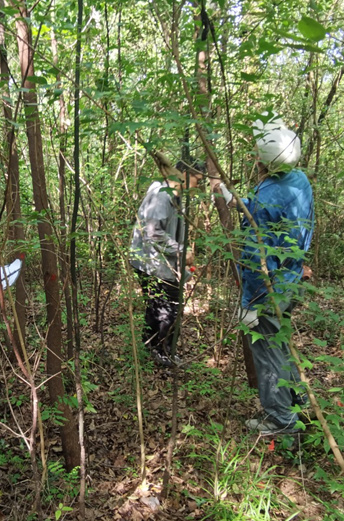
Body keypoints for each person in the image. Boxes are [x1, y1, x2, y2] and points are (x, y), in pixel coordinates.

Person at [217, 119, 314, 435]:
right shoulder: (298, 181)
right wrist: (232, 196)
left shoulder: (271, 191)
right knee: (279, 347)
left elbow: (254, 226)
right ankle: (299, 405)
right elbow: (260, 213)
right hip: (289, 280)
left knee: (267, 351)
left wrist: (249, 298)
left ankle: (282, 420)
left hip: (264, 287)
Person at [129, 159, 204, 367]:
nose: (199, 186)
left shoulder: (173, 196)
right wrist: (181, 251)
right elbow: (154, 233)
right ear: (183, 175)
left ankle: (151, 350)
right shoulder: (161, 195)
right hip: (152, 265)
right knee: (168, 310)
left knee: (157, 308)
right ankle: (164, 354)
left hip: (156, 263)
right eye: (198, 180)